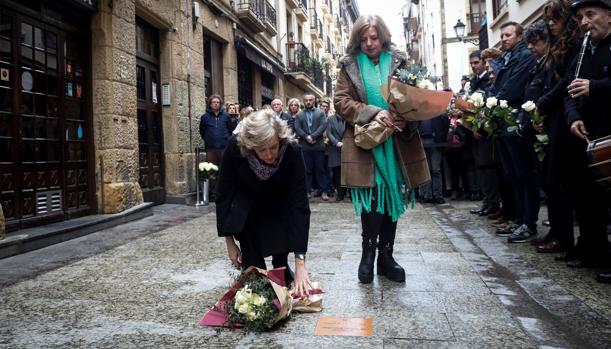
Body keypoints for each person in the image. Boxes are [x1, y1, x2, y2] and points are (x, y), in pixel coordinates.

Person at [334, 14, 430, 283]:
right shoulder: (348, 65)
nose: (368, 43)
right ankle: (368, 254)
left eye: (373, 38)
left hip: (397, 143)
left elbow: (414, 95)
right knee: (373, 198)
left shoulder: (400, 61)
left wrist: (405, 115)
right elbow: (340, 102)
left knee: (392, 198)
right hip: (366, 144)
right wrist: (373, 112)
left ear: (383, 37)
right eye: (363, 39)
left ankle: (386, 257)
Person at [215, 109, 313, 294]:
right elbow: (224, 193)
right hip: (248, 206)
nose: (269, 155)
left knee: (281, 270)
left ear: (280, 139)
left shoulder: (292, 151)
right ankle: (256, 279)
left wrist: (300, 262)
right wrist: (229, 241)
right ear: (250, 146)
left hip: (280, 203)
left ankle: (282, 269)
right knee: (254, 279)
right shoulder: (235, 148)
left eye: (274, 147)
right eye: (261, 149)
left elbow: (299, 204)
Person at [561, 0, 611, 275]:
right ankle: (595, 250)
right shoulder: (583, 52)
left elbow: (594, 87)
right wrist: (573, 117)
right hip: (587, 134)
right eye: (580, 17)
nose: (584, 23)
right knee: (587, 198)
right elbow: (571, 91)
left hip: (608, 130)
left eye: (590, 15)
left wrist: (596, 87)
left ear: (609, 16)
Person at [531, 0, 581, 255]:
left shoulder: (574, 45)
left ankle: (565, 236)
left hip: (564, 114)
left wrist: (543, 103)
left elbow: (566, 83)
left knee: (563, 181)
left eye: (555, 18)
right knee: (553, 180)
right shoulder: (557, 45)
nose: (550, 23)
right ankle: (559, 232)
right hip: (554, 115)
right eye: (548, 19)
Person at [489, 22, 540, 243]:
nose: (504, 38)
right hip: (504, 122)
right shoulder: (506, 58)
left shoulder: (524, 56)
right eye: (502, 35)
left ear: (519, 36)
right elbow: (498, 86)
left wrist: (495, 100)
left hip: (516, 120)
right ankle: (520, 220)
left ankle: (528, 222)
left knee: (524, 175)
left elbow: (512, 88)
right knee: (513, 176)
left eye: (508, 34)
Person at [295, 93, 331, 201]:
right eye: (306, 100)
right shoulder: (299, 114)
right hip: (305, 146)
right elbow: (297, 127)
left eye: (310, 100)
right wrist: (306, 137)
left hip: (318, 145)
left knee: (321, 169)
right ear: (303, 101)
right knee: (307, 170)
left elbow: (323, 125)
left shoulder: (320, 113)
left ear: (314, 101)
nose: (308, 102)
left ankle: (324, 191)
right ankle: (307, 191)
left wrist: (313, 136)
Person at [199, 94, 237, 197]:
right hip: (211, 148)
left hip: (224, 148)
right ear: (210, 104)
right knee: (211, 171)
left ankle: (225, 190)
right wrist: (208, 139)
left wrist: (226, 140)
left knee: (225, 170)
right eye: (214, 102)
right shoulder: (205, 117)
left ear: (220, 104)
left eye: (218, 102)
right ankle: (214, 192)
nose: (216, 104)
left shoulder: (226, 116)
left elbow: (230, 130)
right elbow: (202, 131)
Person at [419, 114, 449, 204]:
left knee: (436, 169)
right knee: (426, 170)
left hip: (436, 141)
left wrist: (442, 138)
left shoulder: (437, 109)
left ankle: (438, 195)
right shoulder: (419, 110)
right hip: (422, 141)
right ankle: (427, 195)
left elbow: (445, 123)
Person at [326, 108, 347, 201]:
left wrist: (345, 142)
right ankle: (339, 194)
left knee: (347, 172)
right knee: (337, 173)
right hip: (334, 149)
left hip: (347, 148)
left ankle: (347, 193)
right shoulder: (330, 119)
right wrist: (336, 142)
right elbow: (329, 133)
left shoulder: (348, 118)